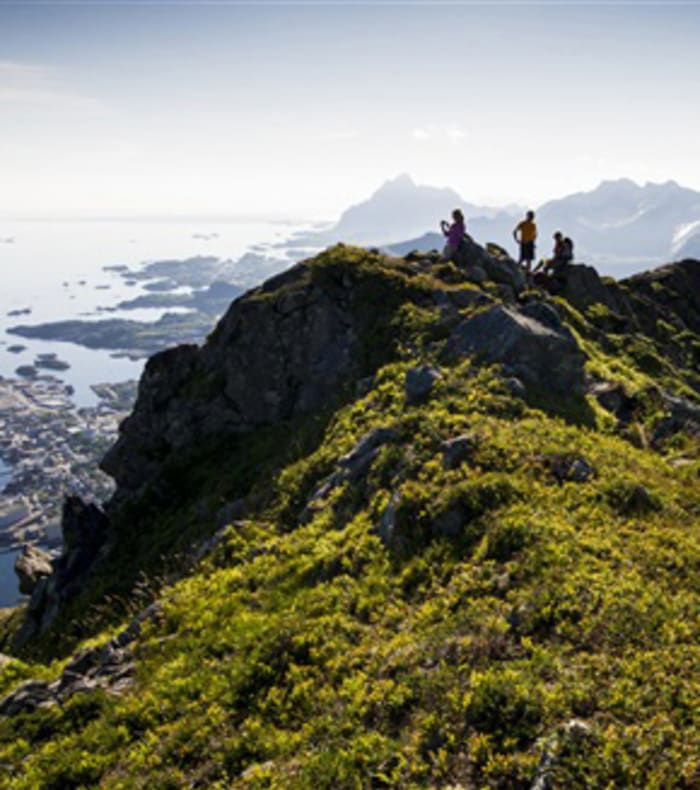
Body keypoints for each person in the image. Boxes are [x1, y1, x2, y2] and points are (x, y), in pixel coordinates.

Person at [513, 210, 538, 277]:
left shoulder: (533, 225)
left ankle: (526, 273)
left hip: (528, 243)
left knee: (527, 260)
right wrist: (517, 240)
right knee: (524, 259)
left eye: (532, 216)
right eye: (531, 216)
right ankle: (517, 271)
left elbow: (534, 235)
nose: (532, 218)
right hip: (525, 243)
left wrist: (517, 240)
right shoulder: (523, 224)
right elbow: (515, 231)